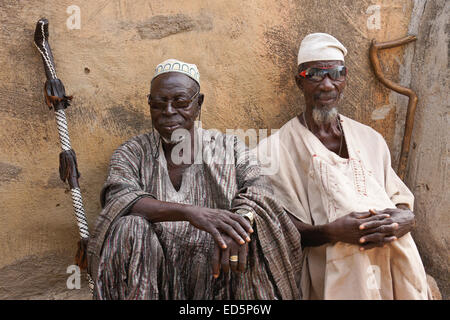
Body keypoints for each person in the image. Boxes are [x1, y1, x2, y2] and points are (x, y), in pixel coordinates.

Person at [87, 59, 302, 300]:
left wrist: (240, 223)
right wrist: (191, 212)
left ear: (198, 103)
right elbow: (119, 199)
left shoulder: (228, 148)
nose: (168, 111)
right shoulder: (133, 152)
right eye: (159, 104)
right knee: (128, 226)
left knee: (247, 230)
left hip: (217, 270)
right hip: (151, 271)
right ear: (149, 104)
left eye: (180, 102)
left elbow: (260, 192)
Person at [257, 33, 429, 299]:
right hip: (338, 278)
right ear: (299, 82)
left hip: (397, 272)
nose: (327, 85)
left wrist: (406, 217)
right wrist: (329, 232)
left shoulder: (370, 138)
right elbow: (273, 228)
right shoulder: (273, 150)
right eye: (314, 74)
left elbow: (400, 199)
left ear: (345, 79)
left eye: (335, 74)